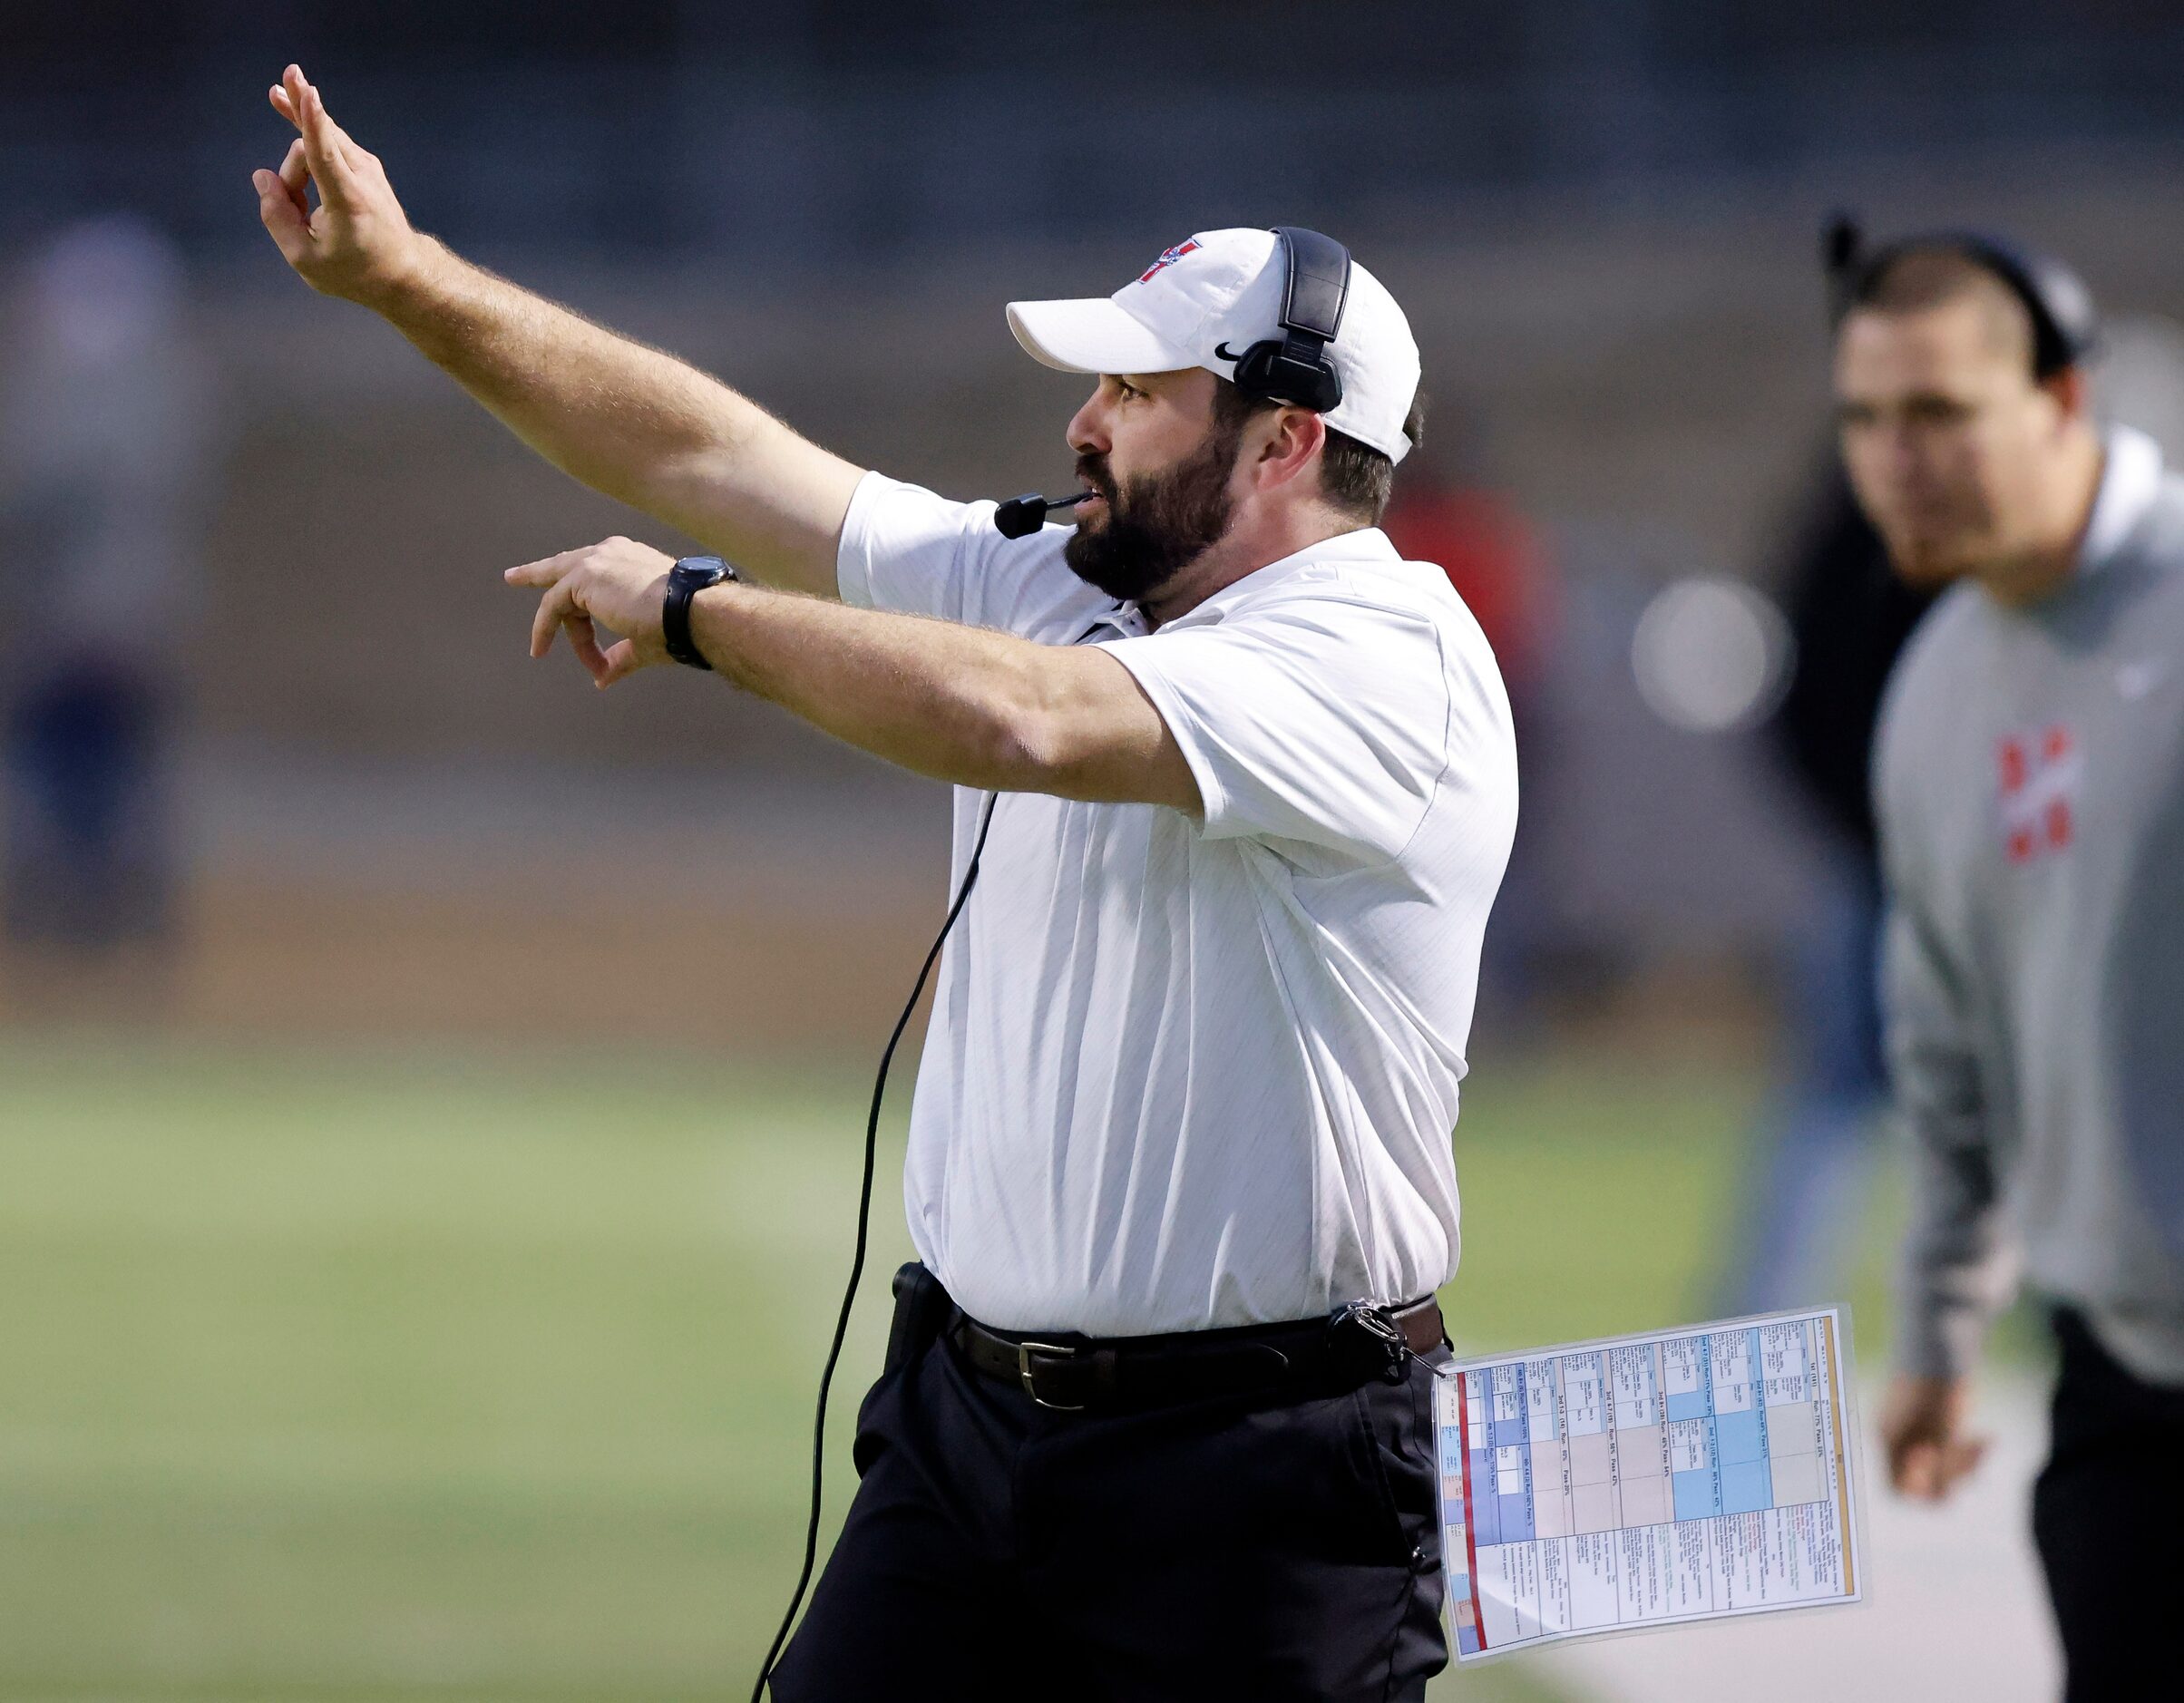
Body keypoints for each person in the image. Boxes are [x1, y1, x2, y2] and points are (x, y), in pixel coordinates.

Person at [250, 65, 1516, 1701]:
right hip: (968, 1437)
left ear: (1282, 436)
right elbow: (715, 454)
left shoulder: (1384, 653)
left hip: (1256, 1477)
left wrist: (699, 614)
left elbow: (1020, 721)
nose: (1081, 424)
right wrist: (409, 281)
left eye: (1134, 391)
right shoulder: (1073, 572)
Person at [1835, 228, 2184, 1698]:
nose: (1891, 460)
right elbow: (1945, 1040)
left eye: (1937, 414)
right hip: (2115, 1393)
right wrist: (1934, 1328)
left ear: (2058, 398)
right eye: (1862, 419)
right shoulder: (1929, 687)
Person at [1710, 464, 1936, 1316]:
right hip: (1882, 871)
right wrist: (1873, 829)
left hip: (1970, 875)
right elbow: (1806, 688)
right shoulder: (1869, 507)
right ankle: (1749, 1348)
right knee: (1831, 1112)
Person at [0, 217, 215, 976]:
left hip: (95, 626)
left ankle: (97, 910)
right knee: (95, 768)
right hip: (111, 623)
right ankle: (104, 909)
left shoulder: (92, 413)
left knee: (89, 769)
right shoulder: (157, 405)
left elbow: (45, 499)